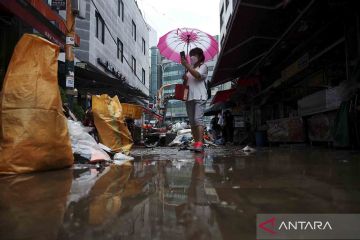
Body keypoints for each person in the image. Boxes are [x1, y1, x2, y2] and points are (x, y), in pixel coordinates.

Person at [181, 47, 208, 152]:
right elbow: (186, 84)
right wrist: (185, 79)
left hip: (200, 96)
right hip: (189, 97)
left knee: (198, 119)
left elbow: (198, 76)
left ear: (200, 56)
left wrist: (186, 65)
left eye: (194, 55)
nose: (192, 57)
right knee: (192, 122)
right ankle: (196, 143)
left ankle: (200, 143)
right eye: (191, 54)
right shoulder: (189, 69)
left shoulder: (203, 66)